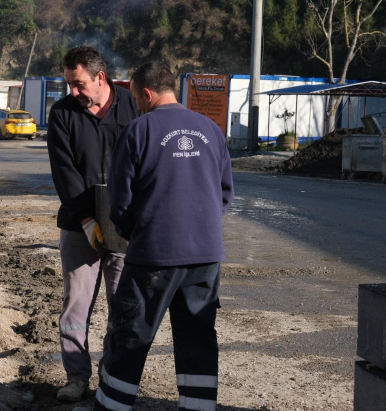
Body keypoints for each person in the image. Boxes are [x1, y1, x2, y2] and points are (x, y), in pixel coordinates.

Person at [93, 62, 234, 411]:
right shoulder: (211, 129)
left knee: (130, 336)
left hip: (153, 255)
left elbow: (120, 200)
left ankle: (112, 407)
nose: (137, 105)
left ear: (147, 94)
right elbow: (225, 193)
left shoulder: (139, 130)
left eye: (138, 98)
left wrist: (134, 234)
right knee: (197, 337)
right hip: (205, 257)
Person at [46, 46, 139, 403]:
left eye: (79, 84)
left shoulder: (133, 107)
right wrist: (87, 220)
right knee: (76, 305)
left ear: (101, 78)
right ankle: (76, 376)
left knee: (122, 305)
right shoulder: (63, 113)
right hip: (78, 225)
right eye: (68, 83)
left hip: (124, 226)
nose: (72, 91)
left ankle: (112, 376)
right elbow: (64, 172)